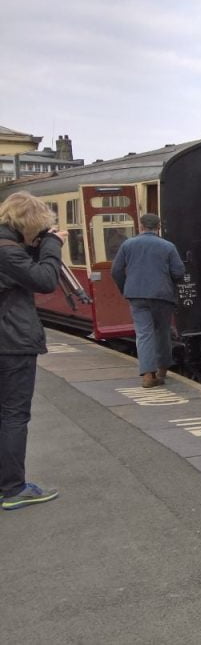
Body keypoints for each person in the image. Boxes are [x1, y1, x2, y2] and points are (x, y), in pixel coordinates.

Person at [0, 191, 64, 510]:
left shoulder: (8, 246)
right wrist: (53, 244)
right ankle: (13, 489)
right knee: (13, 413)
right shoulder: (7, 251)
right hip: (10, 342)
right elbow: (45, 280)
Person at [111, 213, 185, 388]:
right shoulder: (168, 246)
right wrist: (169, 283)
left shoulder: (128, 245)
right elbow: (179, 272)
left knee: (144, 334)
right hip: (162, 296)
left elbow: (116, 271)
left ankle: (147, 376)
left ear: (141, 226)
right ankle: (162, 370)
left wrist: (126, 288)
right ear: (158, 227)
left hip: (136, 296)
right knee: (163, 332)